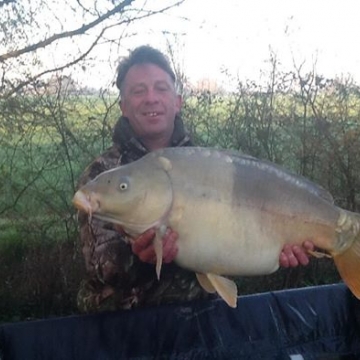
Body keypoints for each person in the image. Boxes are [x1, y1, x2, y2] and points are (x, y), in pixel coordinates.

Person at [76, 45, 314, 312]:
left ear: (177, 102)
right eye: (138, 91)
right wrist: (140, 258)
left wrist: (281, 244)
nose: (151, 98)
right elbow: (101, 268)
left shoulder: (207, 164)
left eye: (161, 88)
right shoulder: (102, 176)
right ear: (124, 106)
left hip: (201, 318)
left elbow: (233, 243)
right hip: (124, 326)